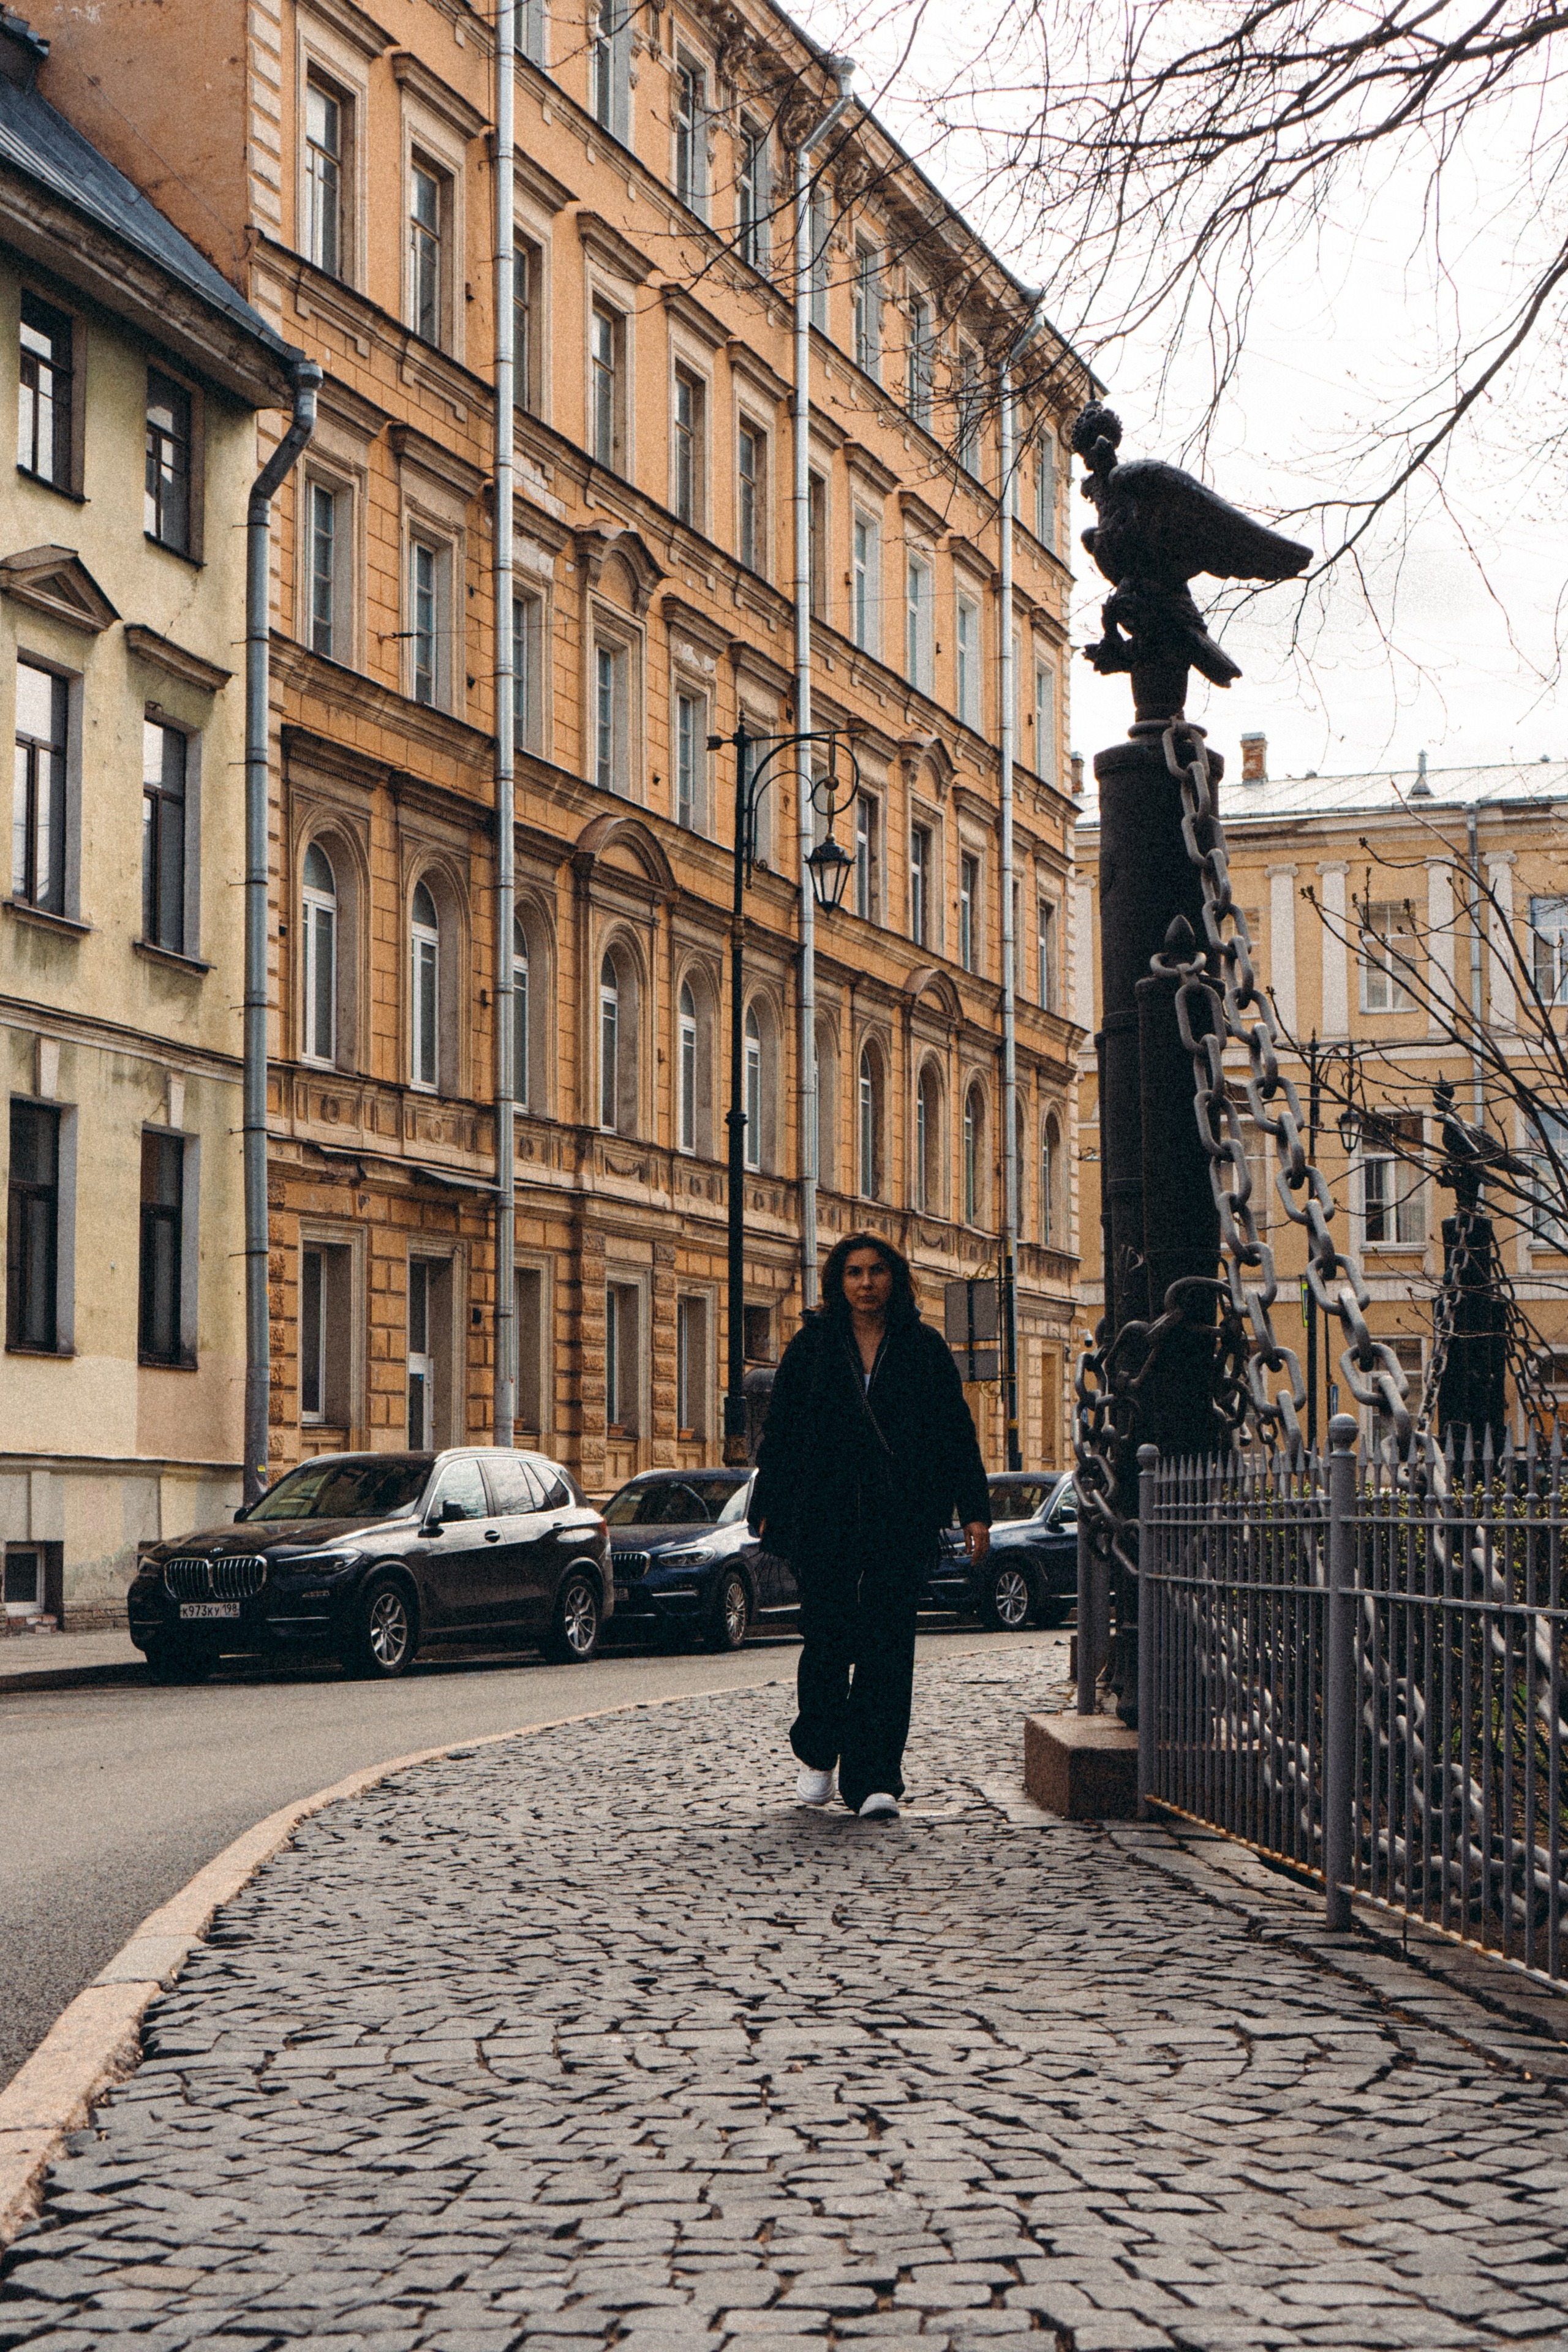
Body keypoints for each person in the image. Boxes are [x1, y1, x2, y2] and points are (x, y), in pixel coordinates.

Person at [749, 1233, 991, 1820]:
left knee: (888, 1645)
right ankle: (818, 1751)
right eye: (854, 1273)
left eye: (876, 1272)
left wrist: (975, 1510)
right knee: (827, 1640)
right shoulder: (811, 1347)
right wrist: (769, 1506)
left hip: (899, 1519)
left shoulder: (923, 1347)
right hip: (823, 1517)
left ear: (895, 1279)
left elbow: (955, 1432)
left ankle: (876, 1777)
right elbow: (779, 1435)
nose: (865, 1283)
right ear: (839, 1282)